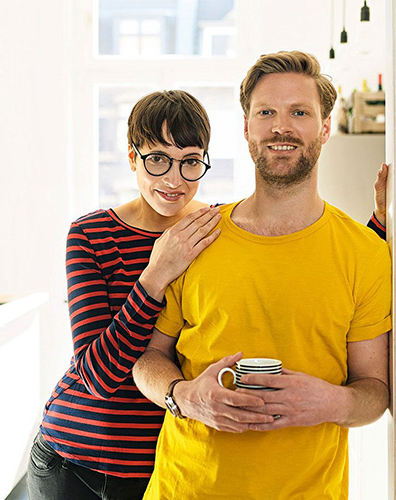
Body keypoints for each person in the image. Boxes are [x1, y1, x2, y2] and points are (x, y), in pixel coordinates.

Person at [133, 51, 392, 500]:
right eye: (266, 112)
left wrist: (332, 401)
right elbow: (146, 360)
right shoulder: (195, 238)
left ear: (325, 127)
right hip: (184, 490)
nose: (281, 127)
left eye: (299, 112)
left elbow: (374, 389)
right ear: (247, 128)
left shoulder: (366, 253)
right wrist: (185, 395)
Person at [26, 90, 223, 500]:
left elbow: (299, 257)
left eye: (190, 161)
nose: (174, 179)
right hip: (75, 463)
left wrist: (384, 226)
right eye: (157, 159)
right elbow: (97, 375)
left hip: (169, 463)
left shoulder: (215, 230)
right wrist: (156, 274)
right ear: (133, 158)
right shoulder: (92, 235)